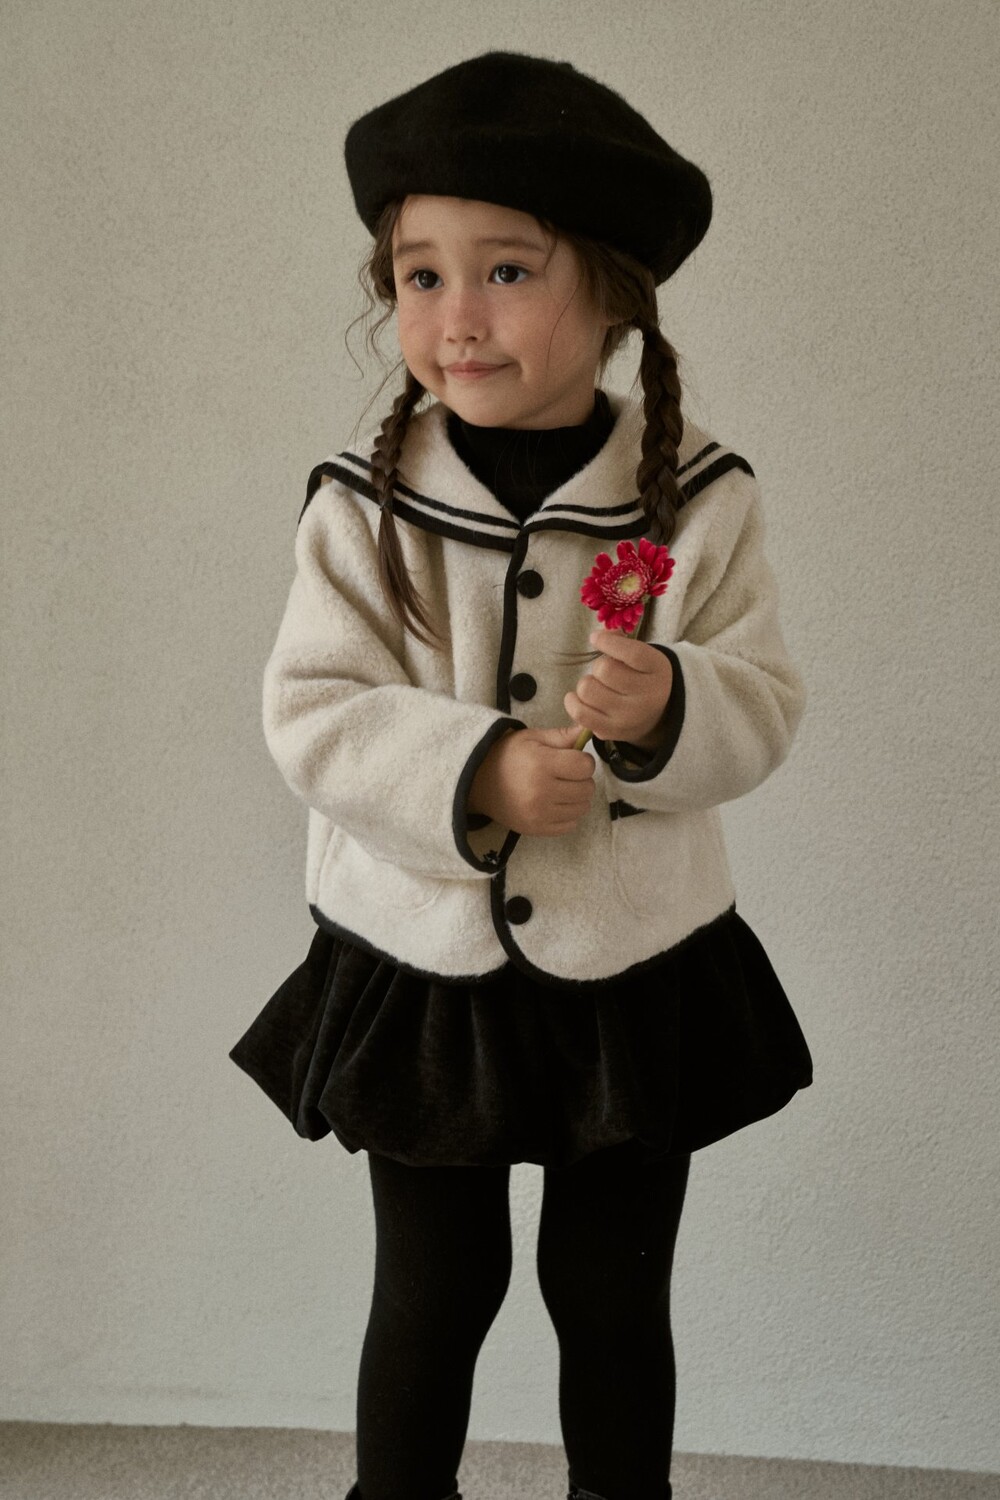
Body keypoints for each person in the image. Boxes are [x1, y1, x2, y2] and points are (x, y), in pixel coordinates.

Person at [229, 49, 813, 1500]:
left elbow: (762, 699)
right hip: (427, 965)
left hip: (636, 970)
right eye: (419, 276)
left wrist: (672, 704)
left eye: (506, 270)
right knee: (435, 1290)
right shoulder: (363, 503)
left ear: (613, 293)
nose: (457, 316)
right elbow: (311, 709)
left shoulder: (702, 500)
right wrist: (476, 769)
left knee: (611, 1294)